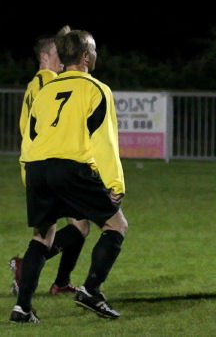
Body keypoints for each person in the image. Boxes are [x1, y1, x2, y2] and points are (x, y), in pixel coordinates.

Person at [11, 28, 128, 322]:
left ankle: (22, 309)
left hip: (37, 167)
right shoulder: (96, 89)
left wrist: (29, 176)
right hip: (70, 166)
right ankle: (91, 290)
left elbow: (31, 136)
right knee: (116, 225)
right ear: (86, 56)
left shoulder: (46, 90)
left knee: (43, 235)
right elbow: (105, 141)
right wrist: (115, 184)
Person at [9, 26, 91, 299]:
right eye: (58, 53)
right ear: (44, 57)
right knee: (77, 227)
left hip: (37, 167)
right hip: (51, 166)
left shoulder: (36, 85)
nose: (63, 58)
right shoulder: (48, 83)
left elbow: (24, 127)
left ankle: (59, 281)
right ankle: (32, 270)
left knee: (61, 229)